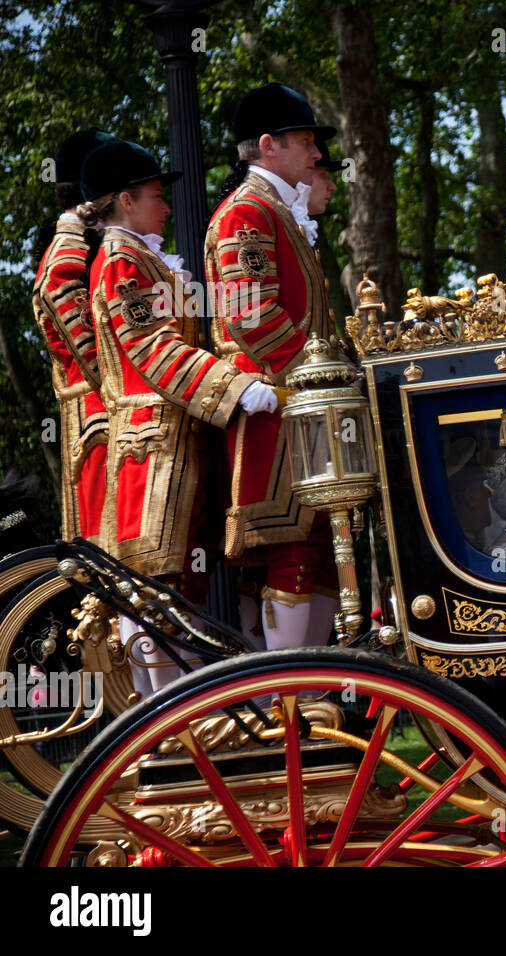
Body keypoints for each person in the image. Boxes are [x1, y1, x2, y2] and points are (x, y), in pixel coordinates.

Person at [79, 139, 269, 694]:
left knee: (180, 584)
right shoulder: (121, 261)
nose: (166, 208)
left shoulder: (141, 256)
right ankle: (162, 715)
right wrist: (234, 387)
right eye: (156, 197)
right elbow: (150, 348)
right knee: (154, 585)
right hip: (151, 449)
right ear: (125, 199)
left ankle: (180, 712)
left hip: (178, 440)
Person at [205, 83, 341, 650]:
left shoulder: (274, 211)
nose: (315, 155)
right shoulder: (247, 211)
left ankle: (311, 698)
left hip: (302, 407)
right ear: (267, 146)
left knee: (321, 544)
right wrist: (319, 378)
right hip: (280, 409)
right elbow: (248, 312)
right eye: (305, 141)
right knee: (293, 549)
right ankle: (291, 694)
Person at [32, 128, 115, 545]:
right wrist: (122, 379)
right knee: (114, 555)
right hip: (99, 416)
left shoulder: (88, 240)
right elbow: (58, 295)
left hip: (107, 412)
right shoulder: (72, 244)